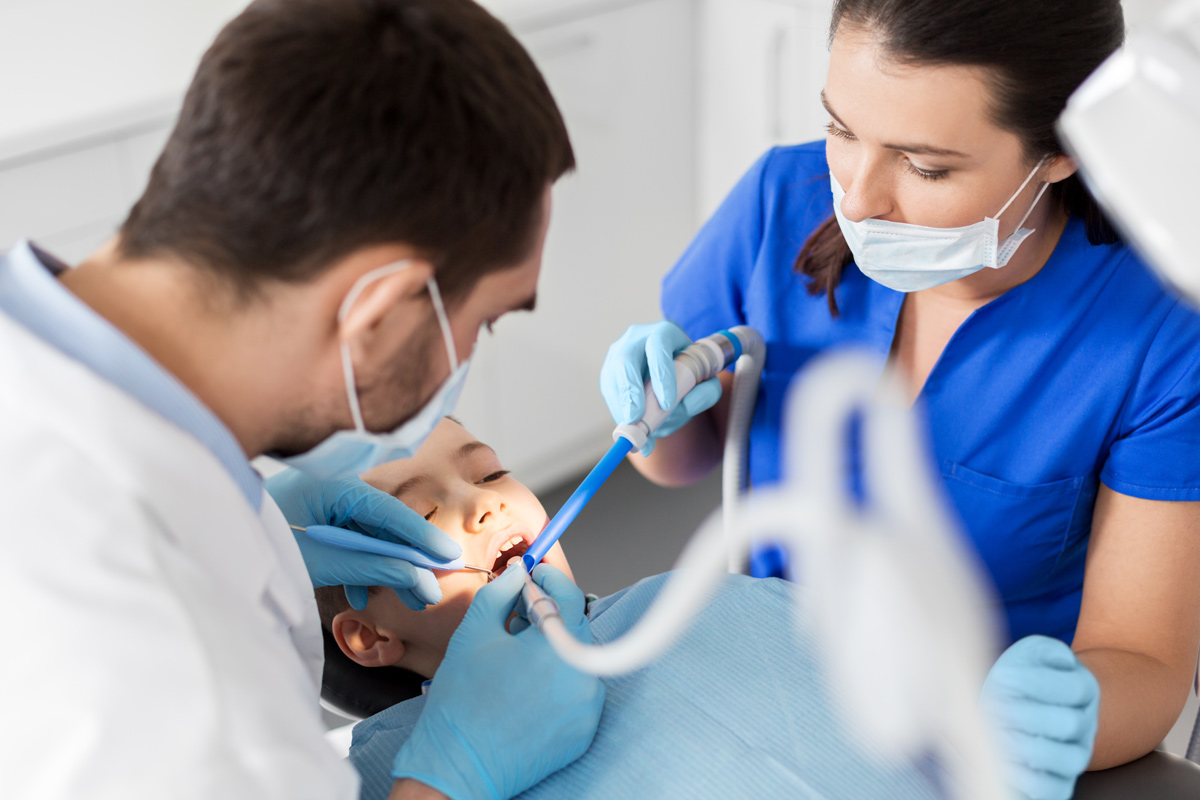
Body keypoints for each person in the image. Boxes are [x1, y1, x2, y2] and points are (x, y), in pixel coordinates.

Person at [0, 1, 604, 798]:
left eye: (487, 472)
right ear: (378, 317)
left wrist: (261, 525)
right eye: (483, 320)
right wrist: (457, 774)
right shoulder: (166, 670)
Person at [600, 0, 1200, 796]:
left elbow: (1145, 662)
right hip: (758, 696)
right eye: (842, 130)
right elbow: (680, 462)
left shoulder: (1159, 326)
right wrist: (655, 411)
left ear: (1059, 152)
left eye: (926, 167)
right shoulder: (779, 201)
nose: (856, 200)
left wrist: (1068, 718)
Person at [317, 417, 947, 800]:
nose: (484, 506)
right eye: (421, 514)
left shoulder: (702, 604)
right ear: (368, 638)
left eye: (489, 473)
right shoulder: (384, 775)